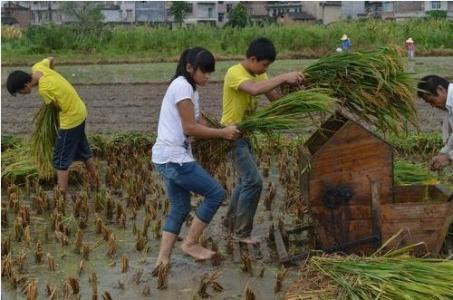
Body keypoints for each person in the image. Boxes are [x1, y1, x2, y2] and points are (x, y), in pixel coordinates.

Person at [151, 48, 240, 268]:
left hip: (167, 156)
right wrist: (223, 134)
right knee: (216, 193)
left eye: (210, 72)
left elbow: (198, 124)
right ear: (190, 68)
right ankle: (190, 243)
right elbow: (190, 128)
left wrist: (221, 129)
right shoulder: (182, 86)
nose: (208, 76)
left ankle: (162, 261)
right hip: (174, 157)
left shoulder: (188, 88)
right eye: (205, 72)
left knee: (180, 208)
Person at [221, 37, 303, 244]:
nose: (265, 69)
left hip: (245, 135)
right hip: (230, 134)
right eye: (264, 65)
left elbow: (275, 99)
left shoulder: (260, 74)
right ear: (253, 59)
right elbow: (255, 90)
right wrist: (285, 76)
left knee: (244, 181)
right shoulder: (235, 72)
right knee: (253, 181)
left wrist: (300, 95)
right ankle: (241, 234)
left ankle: (229, 224)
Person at [6, 57, 99, 197]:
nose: (22, 95)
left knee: (60, 159)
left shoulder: (44, 89)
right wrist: (55, 80)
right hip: (80, 110)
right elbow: (50, 59)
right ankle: (95, 182)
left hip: (71, 119)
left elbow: (57, 107)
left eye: (20, 92)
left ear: (26, 85)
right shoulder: (38, 67)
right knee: (83, 149)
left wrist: (54, 90)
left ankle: (61, 195)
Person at [417, 75, 452, 170]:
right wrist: (443, 154)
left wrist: (449, 157)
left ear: (440, 89)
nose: (433, 106)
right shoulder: (450, 107)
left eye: (432, 101)